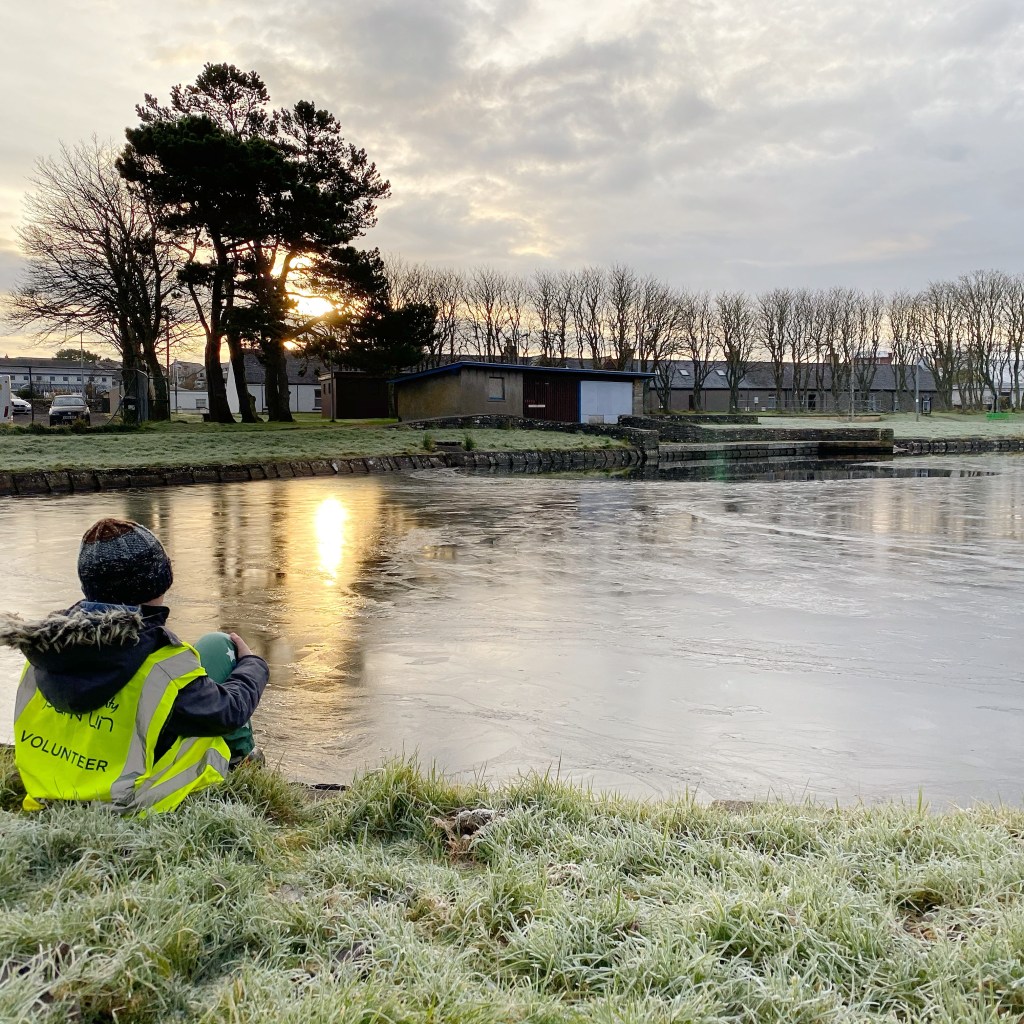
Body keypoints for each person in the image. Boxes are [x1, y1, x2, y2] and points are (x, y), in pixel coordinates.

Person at [1, 517, 269, 815]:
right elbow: (230, 711)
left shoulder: (44, 649)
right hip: (125, 803)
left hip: (46, 794)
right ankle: (243, 760)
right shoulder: (163, 666)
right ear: (158, 581)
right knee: (218, 646)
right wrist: (252, 665)